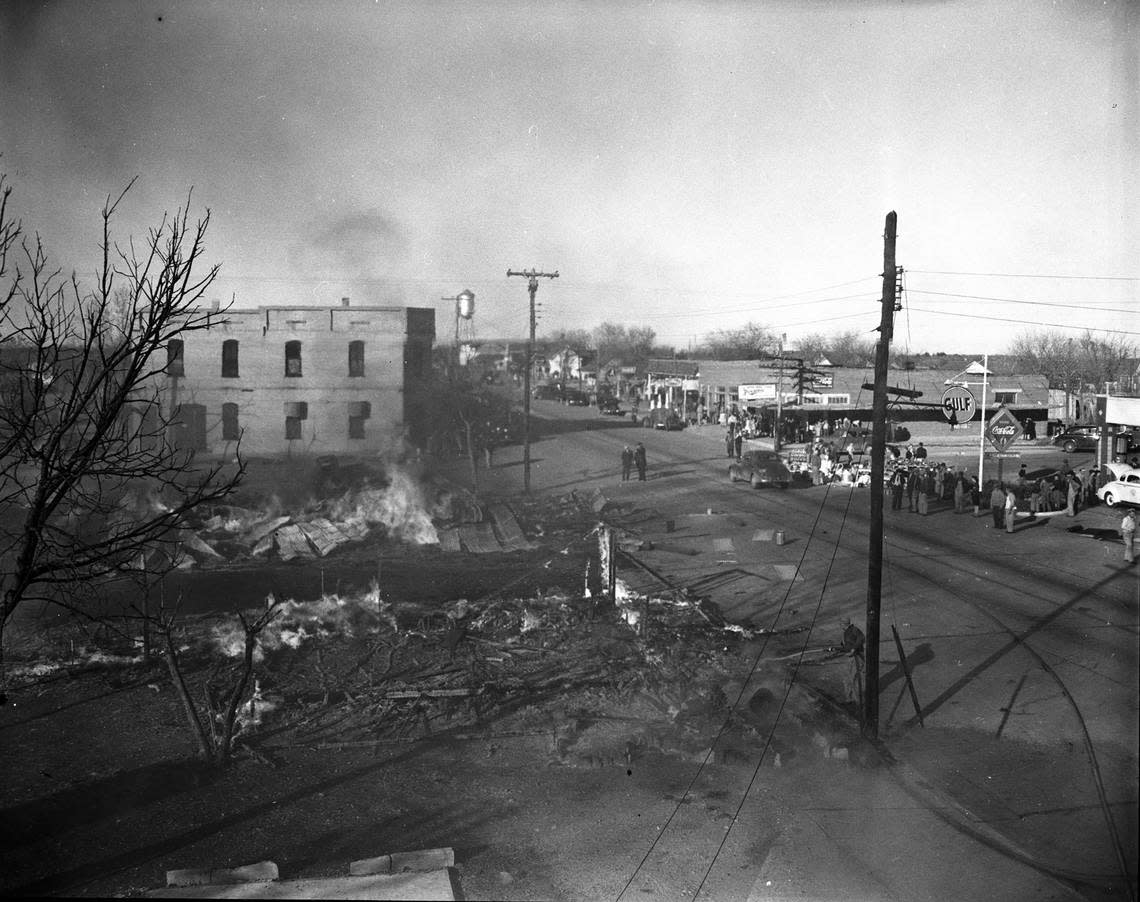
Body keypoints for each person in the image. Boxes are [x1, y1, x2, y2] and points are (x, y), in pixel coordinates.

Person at [837, 617, 865, 709]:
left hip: (857, 657)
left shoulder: (854, 630)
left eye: (840, 623)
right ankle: (848, 699)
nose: (840, 625)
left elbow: (862, 638)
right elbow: (846, 644)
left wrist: (854, 648)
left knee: (854, 679)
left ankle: (858, 702)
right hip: (849, 658)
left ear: (844, 624)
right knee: (846, 678)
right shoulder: (845, 632)